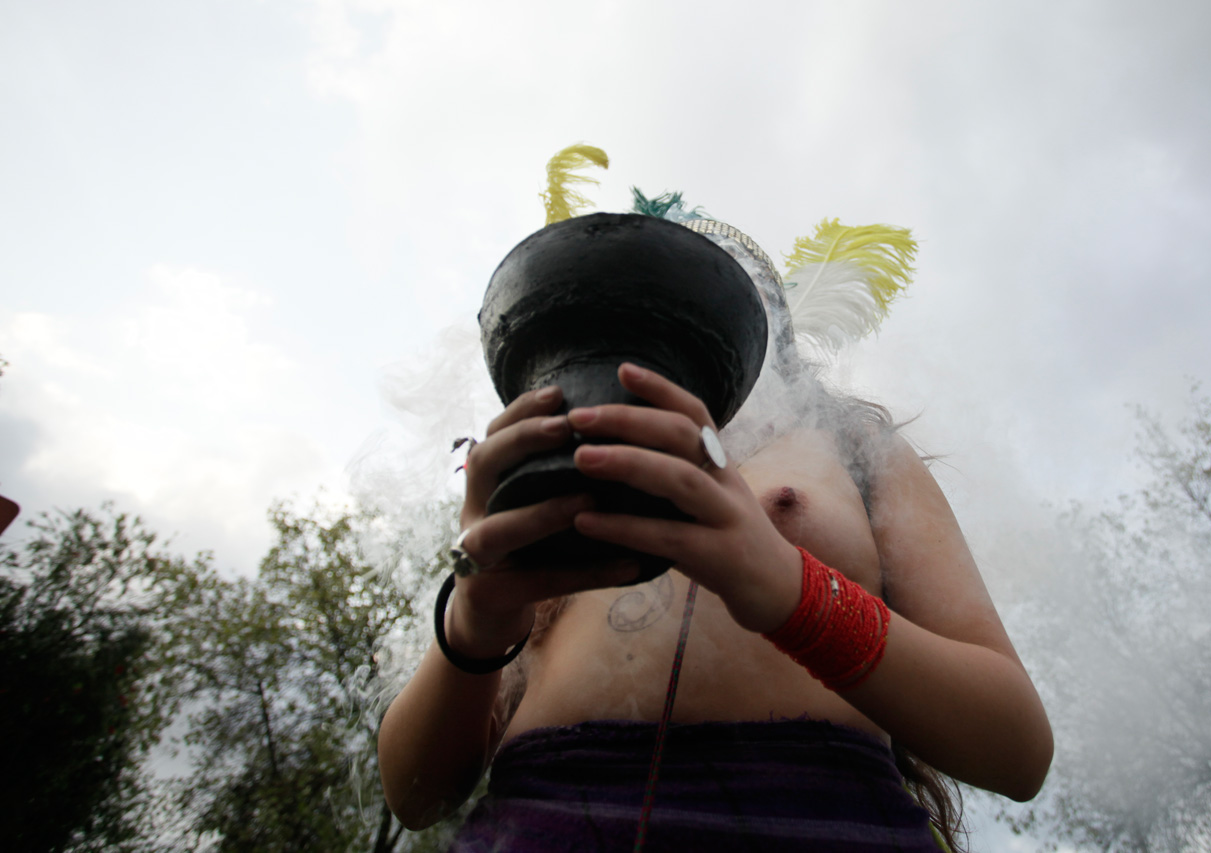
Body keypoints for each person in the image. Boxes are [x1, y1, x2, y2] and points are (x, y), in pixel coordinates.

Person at [378, 156, 1053, 851]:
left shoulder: (851, 444)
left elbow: (1016, 748)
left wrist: (794, 593)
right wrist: (475, 615)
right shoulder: (559, 444)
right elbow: (415, 794)